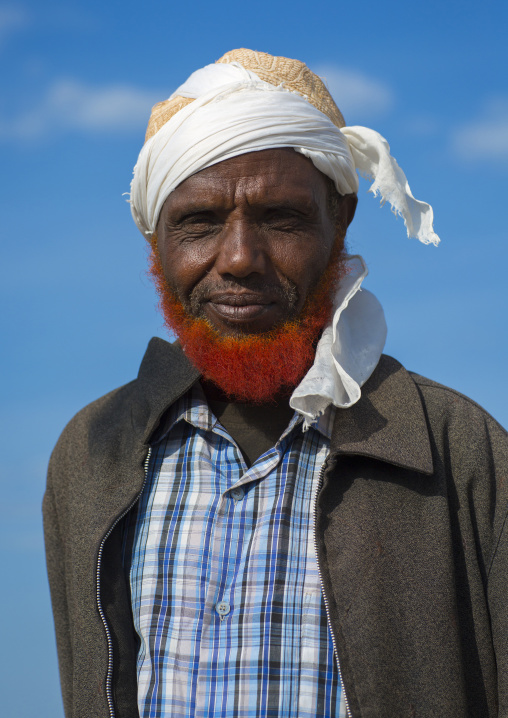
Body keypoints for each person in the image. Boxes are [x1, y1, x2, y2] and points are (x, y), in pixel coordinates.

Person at [43, 49, 508, 718]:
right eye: (198, 223)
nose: (238, 259)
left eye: (280, 220)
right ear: (155, 241)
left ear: (340, 220)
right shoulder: (92, 457)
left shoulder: (462, 453)